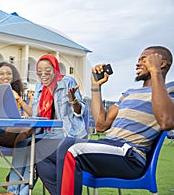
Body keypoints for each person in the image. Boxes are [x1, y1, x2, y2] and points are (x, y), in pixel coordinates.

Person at [44, 46, 174, 195]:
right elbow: (101, 124)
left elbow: (166, 121)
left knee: (70, 146)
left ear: (161, 63)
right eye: (138, 60)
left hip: (129, 156)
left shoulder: (169, 91)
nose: (138, 64)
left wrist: (156, 72)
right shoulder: (129, 93)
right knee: (43, 155)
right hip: (107, 146)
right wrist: (95, 86)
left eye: (144, 60)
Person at [0, 54, 87, 195]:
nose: (43, 74)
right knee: (23, 143)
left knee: (35, 150)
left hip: (67, 133)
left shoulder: (67, 82)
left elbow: (80, 111)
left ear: (55, 69)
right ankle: (14, 191)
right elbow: (35, 115)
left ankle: (16, 192)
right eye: (39, 71)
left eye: (48, 70)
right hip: (46, 133)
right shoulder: (40, 86)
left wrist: (73, 100)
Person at [0, 61, 32, 148]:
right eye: (2, 74)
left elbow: (29, 114)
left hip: (17, 131)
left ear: (13, 76)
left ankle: (18, 159)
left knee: (29, 129)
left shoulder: (16, 93)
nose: (6, 76)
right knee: (25, 128)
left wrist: (19, 99)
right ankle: (19, 159)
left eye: (9, 73)